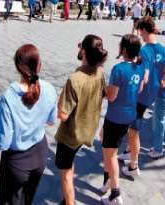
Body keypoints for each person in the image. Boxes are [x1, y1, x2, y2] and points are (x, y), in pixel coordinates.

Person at [0, 44, 57, 204]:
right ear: (39, 65)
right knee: (28, 199)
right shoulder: (49, 88)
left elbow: (3, 143)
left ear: (18, 67)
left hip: (17, 162)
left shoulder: (9, 97)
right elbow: (51, 121)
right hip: (41, 154)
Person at [54, 34, 107, 205]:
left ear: (83, 52)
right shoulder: (99, 73)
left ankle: (70, 202)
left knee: (66, 173)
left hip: (70, 134)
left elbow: (63, 114)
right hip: (87, 129)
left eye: (80, 47)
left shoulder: (74, 79)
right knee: (70, 164)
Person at [98, 34, 144, 204]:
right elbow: (139, 89)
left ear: (123, 49)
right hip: (128, 114)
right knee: (104, 140)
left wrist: (102, 88)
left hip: (116, 116)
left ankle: (115, 193)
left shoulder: (119, 69)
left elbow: (111, 96)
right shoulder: (139, 67)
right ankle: (110, 178)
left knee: (111, 155)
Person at [121, 16, 165, 164]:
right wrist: (161, 82)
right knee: (135, 124)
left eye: (140, 32)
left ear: (144, 30)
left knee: (133, 129)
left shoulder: (145, 51)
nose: (140, 36)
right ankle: (128, 150)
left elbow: (145, 77)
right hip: (153, 94)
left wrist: (133, 91)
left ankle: (133, 161)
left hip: (142, 95)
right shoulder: (163, 49)